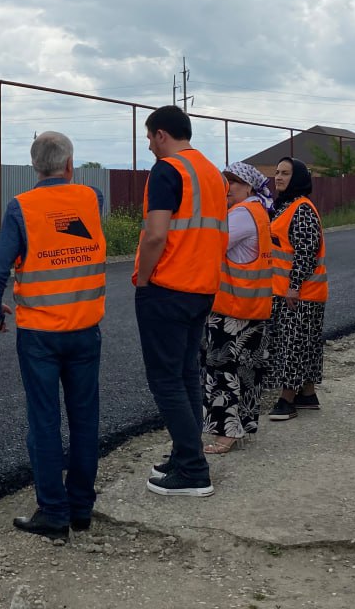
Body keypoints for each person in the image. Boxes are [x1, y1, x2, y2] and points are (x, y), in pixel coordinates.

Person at [0, 131, 107, 540]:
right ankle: (82, 508)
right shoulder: (92, 200)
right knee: (85, 418)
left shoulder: (21, 208)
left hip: (39, 334)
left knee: (44, 421)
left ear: (34, 167)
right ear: (70, 165)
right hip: (85, 330)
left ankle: (53, 512)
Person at [133, 105, 228, 497]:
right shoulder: (211, 173)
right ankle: (184, 451)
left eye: (150, 137)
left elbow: (156, 234)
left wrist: (144, 277)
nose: (150, 146)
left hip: (168, 286)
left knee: (166, 380)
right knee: (188, 374)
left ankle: (192, 469)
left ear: (160, 134)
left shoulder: (167, 170)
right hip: (202, 287)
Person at [201, 162, 275, 453]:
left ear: (248, 187)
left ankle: (226, 433)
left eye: (233, 182)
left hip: (231, 309)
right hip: (253, 305)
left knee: (224, 370)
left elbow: (211, 244)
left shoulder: (242, 214)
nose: (227, 187)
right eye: (225, 181)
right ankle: (241, 426)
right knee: (247, 370)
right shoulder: (258, 212)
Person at [266, 156, 330, 421]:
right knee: (306, 344)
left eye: (285, 173)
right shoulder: (286, 206)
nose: (278, 177)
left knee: (292, 344)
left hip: (300, 293)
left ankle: (287, 399)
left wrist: (294, 287)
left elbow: (307, 251)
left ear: (299, 178)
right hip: (291, 291)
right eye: (277, 172)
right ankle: (308, 394)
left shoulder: (301, 209)